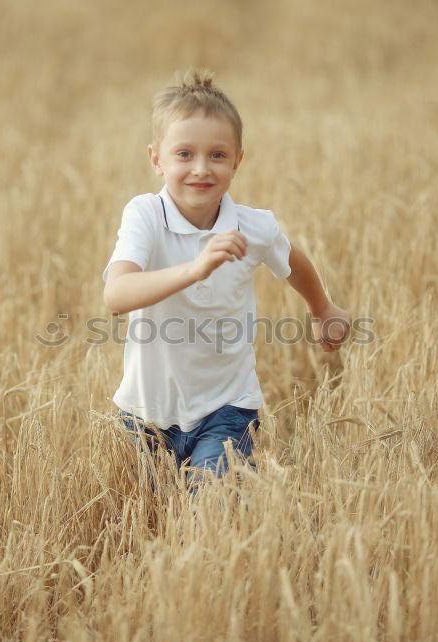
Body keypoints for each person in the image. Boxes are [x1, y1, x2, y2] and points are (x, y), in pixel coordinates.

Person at [102, 66, 350, 493]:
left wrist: (321, 307)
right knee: (150, 518)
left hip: (227, 408)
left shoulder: (255, 227)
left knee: (210, 513)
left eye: (217, 155)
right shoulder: (144, 214)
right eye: (184, 154)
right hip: (146, 413)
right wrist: (195, 268)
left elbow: (294, 262)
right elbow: (117, 295)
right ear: (156, 159)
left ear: (238, 161)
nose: (201, 168)